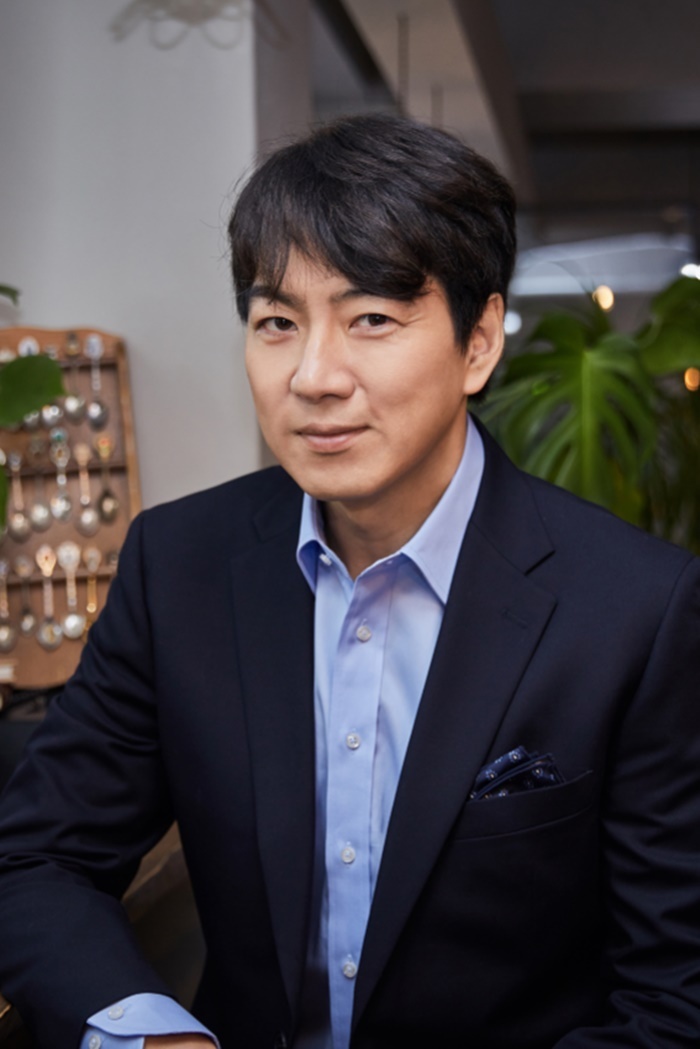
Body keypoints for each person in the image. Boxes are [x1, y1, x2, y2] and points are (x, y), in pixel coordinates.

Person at [0, 113, 700, 1049]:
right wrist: (154, 1035)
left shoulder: (638, 609)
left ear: (479, 341)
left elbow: (674, 998)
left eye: (371, 318)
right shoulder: (180, 564)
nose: (314, 376)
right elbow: (36, 857)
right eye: (277, 324)